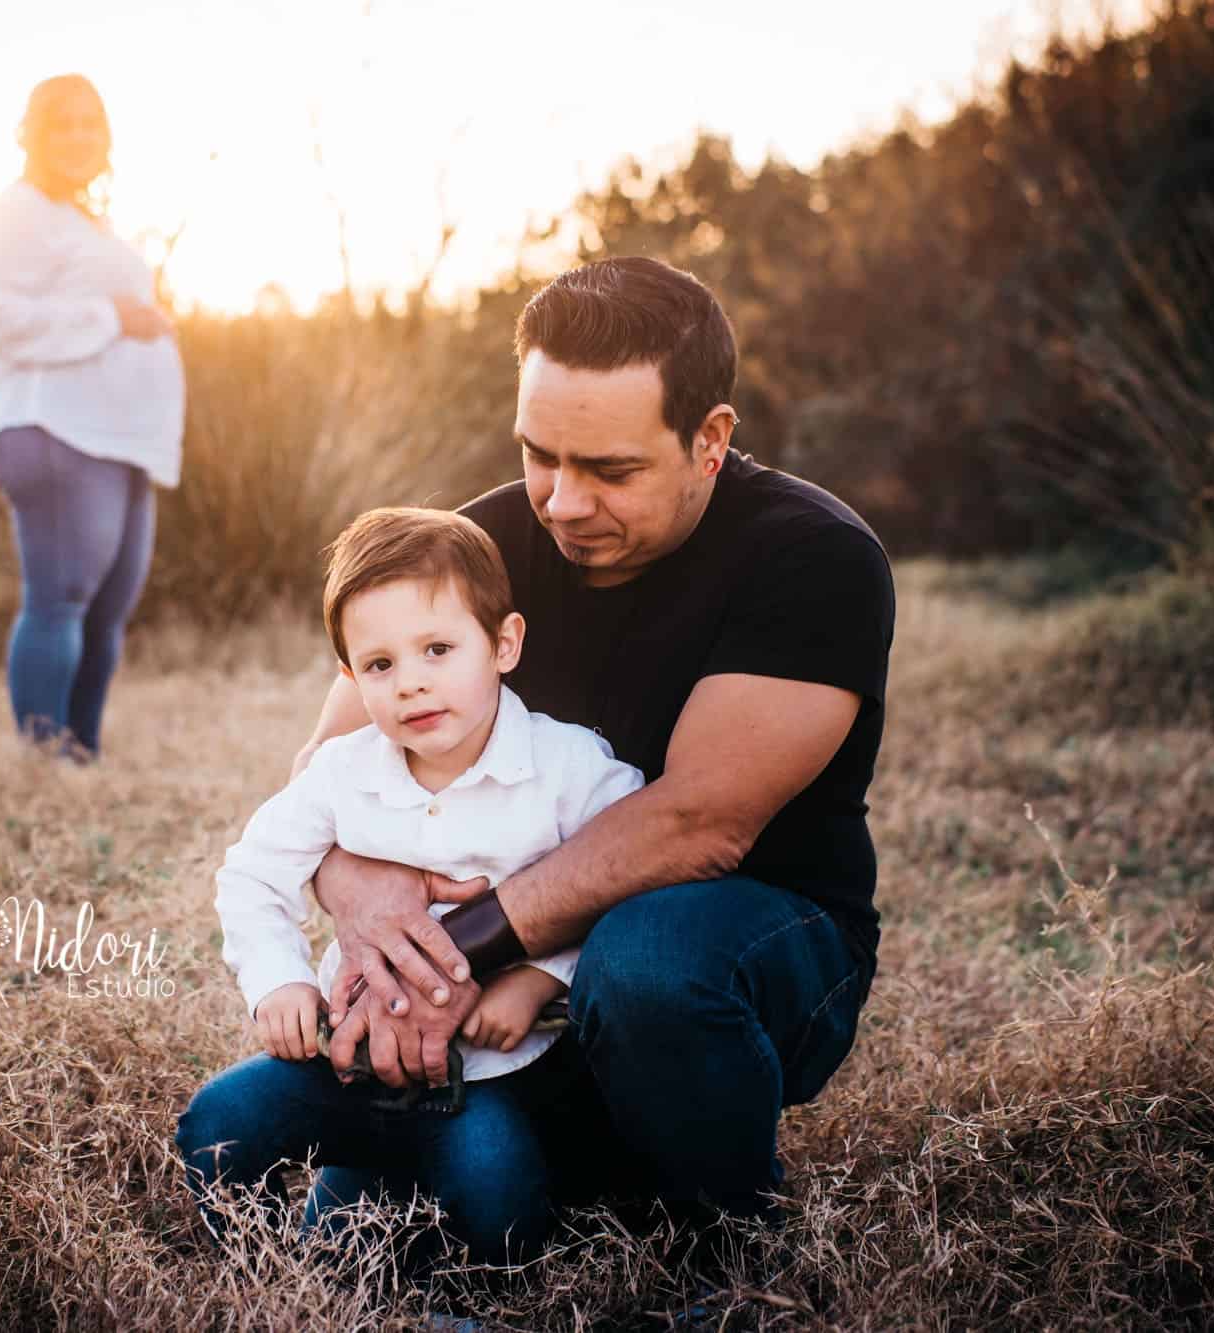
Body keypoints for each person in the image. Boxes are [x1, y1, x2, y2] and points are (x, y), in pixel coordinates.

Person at [298, 257, 896, 1234]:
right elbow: (326, 773)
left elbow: (697, 826)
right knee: (366, 1225)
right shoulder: (474, 548)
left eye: (609, 470)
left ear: (708, 441)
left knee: (646, 964)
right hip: (502, 970)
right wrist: (377, 919)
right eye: (540, 454)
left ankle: (728, 1248)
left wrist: (454, 949)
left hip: (750, 944)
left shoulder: (815, 558)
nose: (562, 502)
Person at [175, 507, 645, 1267]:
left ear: (503, 643)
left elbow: (631, 882)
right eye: (381, 665)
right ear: (352, 678)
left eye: (437, 648)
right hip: (346, 1062)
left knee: (502, 1207)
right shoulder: (341, 774)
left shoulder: (569, 770)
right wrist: (280, 982)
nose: (412, 683)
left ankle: (413, 1248)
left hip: (486, 1080)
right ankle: (274, 1270)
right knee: (217, 1124)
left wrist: (536, 978)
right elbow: (252, 873)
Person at [0, 73, 182, 759]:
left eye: (92, 123)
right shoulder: (17, 209)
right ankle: (42, 759)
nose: (80, 137)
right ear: (31, 133)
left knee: (109, 604)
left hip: (120, 437)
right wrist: (113, 315)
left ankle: (79, 752)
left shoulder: (86, 218)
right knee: (63, 595)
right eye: (63, 123)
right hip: (54, 427)